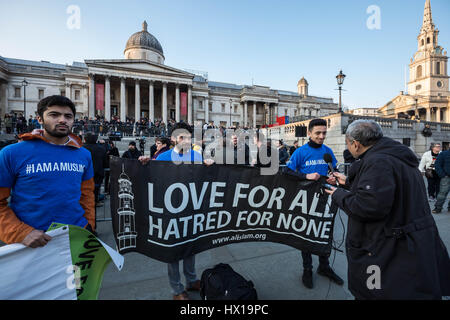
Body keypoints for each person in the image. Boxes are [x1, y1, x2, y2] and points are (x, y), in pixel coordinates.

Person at [326, 120, 450, 299]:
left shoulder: (378, 162)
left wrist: (338, 194)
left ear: (355, 144)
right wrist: (350, 182)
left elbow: (368, 207)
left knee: (376, 291)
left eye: (347, 143)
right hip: (411, 241)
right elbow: (387, 189)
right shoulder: (392, 156)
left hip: (390, 247)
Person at [0, 95, 96, 247]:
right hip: (30, 242)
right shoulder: (11, 153)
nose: (62, 120)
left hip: (77, 238)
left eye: (68, 116)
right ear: (39, 119)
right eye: (54, 115)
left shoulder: (84, 155)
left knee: (78, 272)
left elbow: (87, 195)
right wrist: (21, 232)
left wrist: (89, 225)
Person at [138, 122, 205, 300]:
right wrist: (144, 165)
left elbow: (205, 179)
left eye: (189, 137)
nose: (186, 141)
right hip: (169, 211)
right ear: (174, 139)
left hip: (191, 209)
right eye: (182, 137)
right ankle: (177, 289)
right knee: (172, 251)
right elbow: (152, 180)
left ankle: (191, 279)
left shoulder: (198, 156)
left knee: (191, 246)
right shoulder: (162, 157)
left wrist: (210, 165)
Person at [285, 118, 344, 289]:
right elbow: (286, 171)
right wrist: (306, 176)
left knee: (325, 234)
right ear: (309, 133)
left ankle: (324, 267)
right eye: (317, 133)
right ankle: (307, 270)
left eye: (324, 133)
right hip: (306, 200)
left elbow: (335, 169)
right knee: (307, 236)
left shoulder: (328, 151)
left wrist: (334, 176)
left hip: (326, 199)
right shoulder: (300, 152)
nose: (321, 136)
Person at [83, 132, 108, 206]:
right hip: (97, 173)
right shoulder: (101, 149)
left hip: (85, 173)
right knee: (96, 189)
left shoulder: (81, 148)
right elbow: (105, 162)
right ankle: (95, 201)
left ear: (85, 139)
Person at [432, 148, 450, 214]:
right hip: (446, 177)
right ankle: (438, 208)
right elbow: (437, 164)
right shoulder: (443, 153)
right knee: (442, 193)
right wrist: (442, 175)